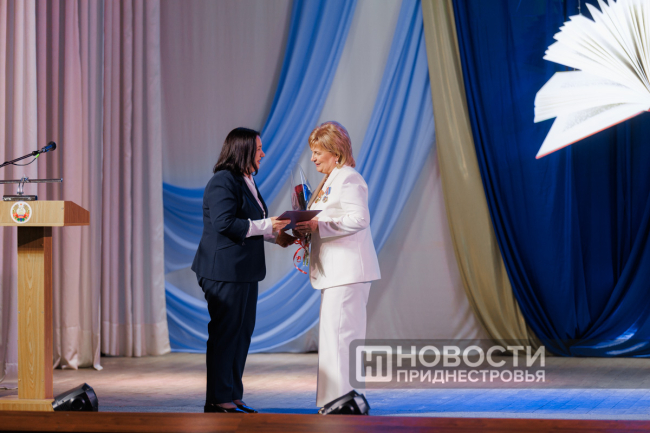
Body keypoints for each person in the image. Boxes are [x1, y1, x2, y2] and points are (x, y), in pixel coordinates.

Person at [191, 127, 294, 414]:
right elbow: (224, 223)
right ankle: (217, 399)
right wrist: (269, 225)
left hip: (243, 271)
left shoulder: (246, 180)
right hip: (223, 271)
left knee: (241, 333)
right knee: (226, 334)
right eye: (259, 148)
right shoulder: (222, 180)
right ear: (243, 150)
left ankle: (233, 394)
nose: (263, 153)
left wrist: (277, 236)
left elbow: (250, 223)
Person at [294, 121, 381, 411]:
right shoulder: (329, 180)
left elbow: (360, 219)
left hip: (348, 271)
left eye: (318, 152)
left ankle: (345, 399)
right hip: (335, 273)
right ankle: (340, 399)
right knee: (335, 337)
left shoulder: (349, 179)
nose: (313, 158)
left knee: (342, 336)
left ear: (335, 152)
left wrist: (319, 225)